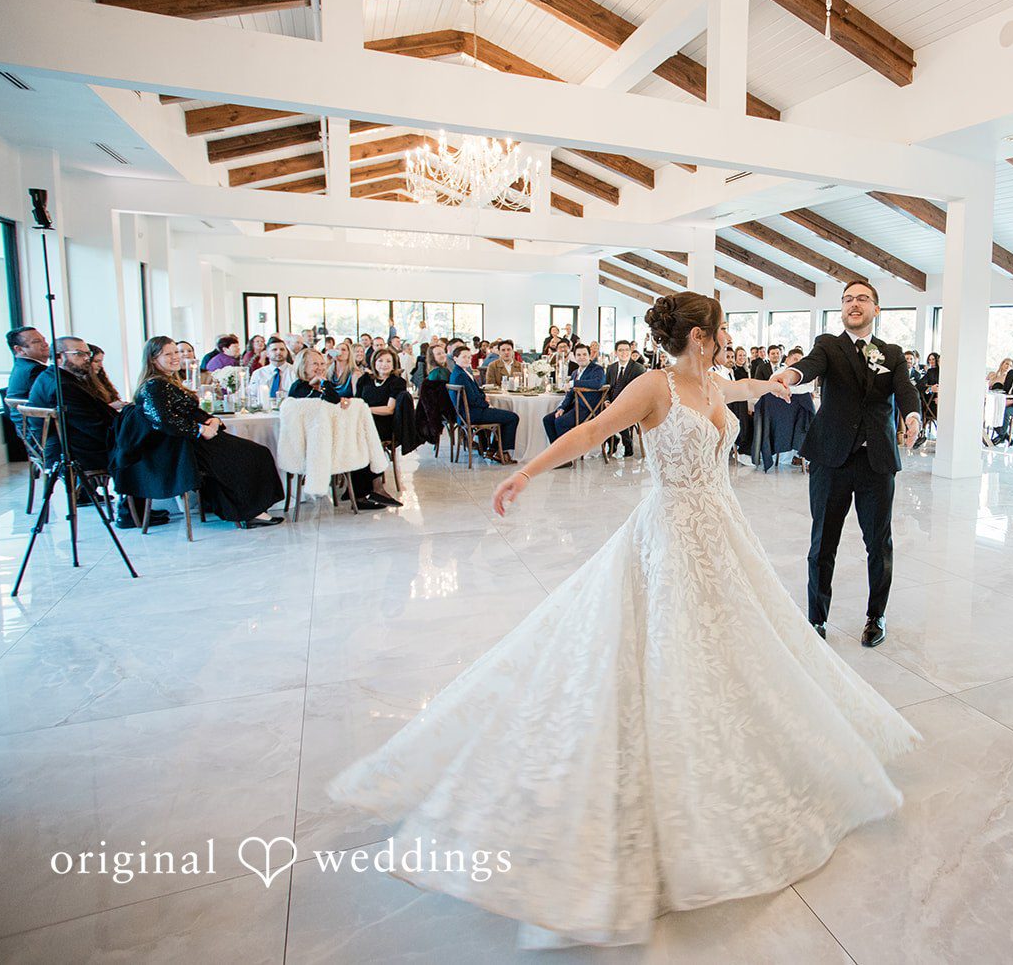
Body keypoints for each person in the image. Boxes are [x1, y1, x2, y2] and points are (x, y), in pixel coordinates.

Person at [329, 290, 918, 949]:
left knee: (742, 647)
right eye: (721, 331)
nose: (726, 340)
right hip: (669, 535)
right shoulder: (653, 385)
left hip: (722, 532)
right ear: (701, 335)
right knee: (668, 651)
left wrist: (777, 381)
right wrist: (526, 472)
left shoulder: (710, 379)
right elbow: (590, 430)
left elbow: (748, 384)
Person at [772, 281, 922, 648]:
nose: (854, 304)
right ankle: (816, 619)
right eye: (848, 299)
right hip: (831, 459)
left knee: (879, 543)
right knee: (822, 542)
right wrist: (789, 375)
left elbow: (904, 389)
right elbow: (808, 367)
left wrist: (914, 416)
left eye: (862, 299)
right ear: (842, 308)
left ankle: (876, 616)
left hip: (877, 461)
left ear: (876, 309)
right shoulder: (828, 345)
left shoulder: (891, 352)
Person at [114, 336, 284, 529]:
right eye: (168, 354)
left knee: (253, 452)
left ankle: (246, 508)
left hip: (193, 440)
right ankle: (249, 510)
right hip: (180, 449)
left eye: (176, 352)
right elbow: (164, 421)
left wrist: (211, 419)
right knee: (253, 454)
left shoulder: (168, 381)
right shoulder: (154, 385)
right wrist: (199, 429)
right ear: (153, 359)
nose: (175, 357)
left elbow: (187, 410)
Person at [26, 336, 159, 528]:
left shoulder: (57, 377)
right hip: (76, 451)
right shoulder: (63, 386)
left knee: (137, 439)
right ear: (59, 357)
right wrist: (128, 429)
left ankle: (138, 507)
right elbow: (93, 427)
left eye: (87, 353)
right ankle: (131, 513)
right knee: (138, 447)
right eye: (79, 354)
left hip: (76, 442)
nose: (86, 358)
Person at [286, 349, 391, 510]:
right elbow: (332, 400)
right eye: (315, 364)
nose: (320, 367)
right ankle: (361, 495)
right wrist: (323, 382)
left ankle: (362, 492)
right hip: (315, 447)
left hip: (326, 440)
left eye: (322, 363)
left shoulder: (315, 386)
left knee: (360, 439)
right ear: (303, 366)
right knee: (358, 443)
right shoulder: (299, 387)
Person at [447, 345, 517, 463]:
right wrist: (485, 403)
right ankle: (501, 452)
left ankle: (493, 449)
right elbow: (472, 399)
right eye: (464, 357)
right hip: (472, 414)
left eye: (469, 357)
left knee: (504, 415)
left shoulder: (461, 372)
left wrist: (483, 397)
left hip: (468, 413)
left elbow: (476, 392)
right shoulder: (460, 375)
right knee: (512, 417)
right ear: (455, 358)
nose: (467, 359)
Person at [542, 343, 604, 446]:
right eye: (578, 355)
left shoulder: (597, 369)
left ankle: (567, 455)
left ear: (589, 356)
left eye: (584, 354)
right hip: (575, 406)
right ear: (575, 357)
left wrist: (573, 383)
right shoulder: (575, 372)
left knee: (560, 422)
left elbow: (597, 383)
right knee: (548, 420)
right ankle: (557, 452)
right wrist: (561, 408)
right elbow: (570, 394)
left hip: (588, 408)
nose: (582, 357)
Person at [600, 339, 643, 458]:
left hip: (630, 403)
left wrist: (621, 403)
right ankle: (612, 440)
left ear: (630, 351)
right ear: (616, 352)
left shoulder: (638, 368)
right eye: (620, 350)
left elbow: (639, 392)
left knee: (617, 414)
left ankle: (627, 443)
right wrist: (607, 400)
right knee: (598, 413)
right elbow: (607, 387)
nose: (624, 353)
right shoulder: (611, 368)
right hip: (611, 403)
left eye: (626, 350)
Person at [5, 326, 50, 439]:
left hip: (29, 434)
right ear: (19, 350)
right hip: (40, 435)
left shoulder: (21, 366)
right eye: (36, 342)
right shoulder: (34, 370)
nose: (45, 344)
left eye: (44, 340)